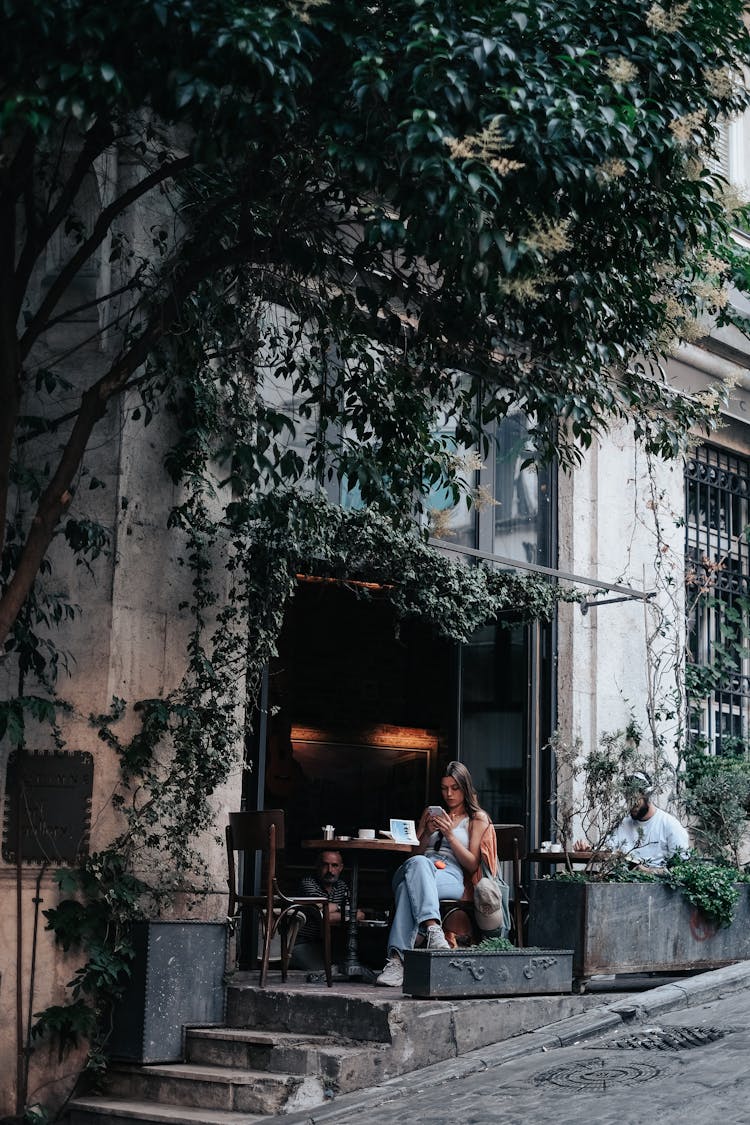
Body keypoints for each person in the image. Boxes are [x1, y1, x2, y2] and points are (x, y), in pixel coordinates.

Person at [376, 760, 497, 988]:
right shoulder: (430, 813)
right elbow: (414, 854)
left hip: (449, 875)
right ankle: (433, 929)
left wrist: (450, 835)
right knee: (418, 864)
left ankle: (396, 961)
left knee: (406, 891)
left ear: (466, 788)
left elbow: (472, 864)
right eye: (444, 788)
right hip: (416, 869)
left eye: (455, 788)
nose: (449, 794)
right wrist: (427, 833)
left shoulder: (477, 818)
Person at [575, 771, 689, 869]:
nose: (631, 804)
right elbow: (608, 850)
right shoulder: (623, 824)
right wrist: (589, 850)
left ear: (647, 796)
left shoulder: (670, 825)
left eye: (635, 800)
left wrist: (649, 871)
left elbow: (682, 868)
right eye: (627, 799)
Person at [289, 849, 363, 970]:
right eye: (325, 865)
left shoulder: (341, 886)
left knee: (347, 966)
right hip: (300, 943)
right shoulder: (308, 883)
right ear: (317, 866)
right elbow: (324, 916)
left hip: (326, 944)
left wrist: (333, 911)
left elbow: (360, 915)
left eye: (334, 865)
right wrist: (341, 908)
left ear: (341, 867)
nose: (330, 870)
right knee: (325, 972)